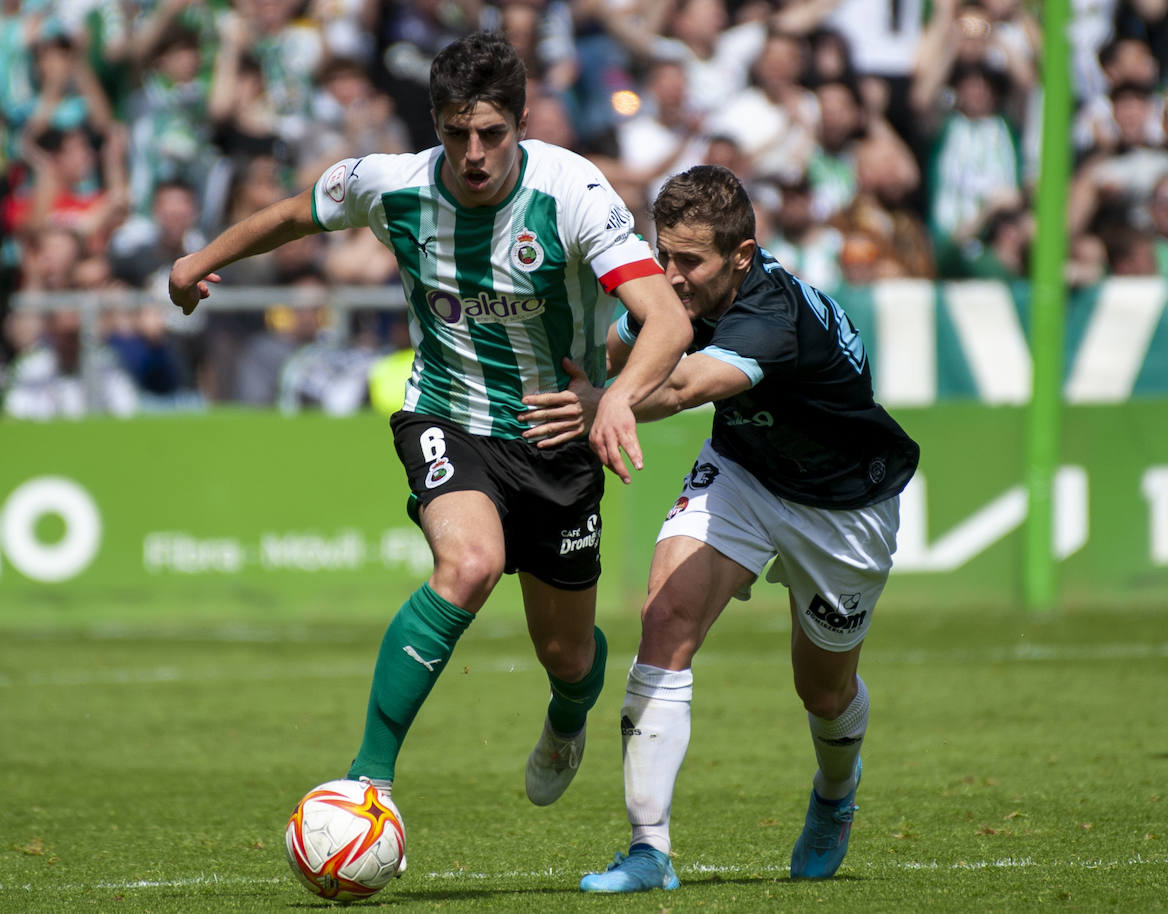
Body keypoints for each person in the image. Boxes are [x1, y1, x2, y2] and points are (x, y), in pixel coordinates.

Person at [168, 31, 691, 819]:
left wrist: (614, 399)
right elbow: (294, 214)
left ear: (520, 124)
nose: (473, 153)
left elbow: (667, 320)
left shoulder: (573, 193)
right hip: (445, 410)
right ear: (436, 125)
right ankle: (366, 780)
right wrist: (196, 260)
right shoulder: (392, 185)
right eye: (456, 134)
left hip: (553, 431)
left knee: (567, 653)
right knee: (470, 566)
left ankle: (568, 712)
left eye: (491, 134)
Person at [520, 164, 920, 891]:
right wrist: (612, 359)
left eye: (689, 261)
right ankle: (649, 851)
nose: (668, 274)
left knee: (823, 691)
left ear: (741, 255)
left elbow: (684, 385)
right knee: (664, 616)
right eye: (660, 253)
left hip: (845, 506)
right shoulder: (675, 288)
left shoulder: (772, 314)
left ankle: (835, 792)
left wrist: (605, 404)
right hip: (745, 472)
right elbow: (630, 345)